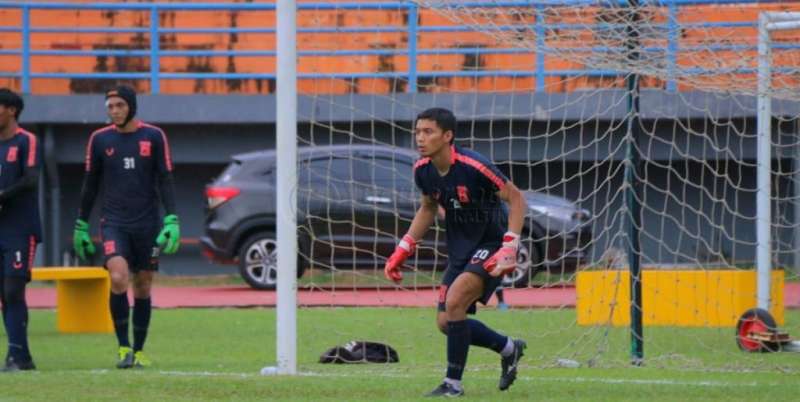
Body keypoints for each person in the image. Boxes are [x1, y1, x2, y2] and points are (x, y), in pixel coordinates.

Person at [384, 107, 527, 397]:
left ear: (448, 136)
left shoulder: (474, 166)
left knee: (455, 300)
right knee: (446, 322)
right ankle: (509, 348)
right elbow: (427, 208)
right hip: (461, 248)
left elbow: (517, 198)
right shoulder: (422, 170)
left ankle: (452, 384)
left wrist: (510, 246)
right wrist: (403, 248)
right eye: (417, 132)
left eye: (428, 132)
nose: (420, 138)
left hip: (492, 243)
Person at [73, 85, 180, 369]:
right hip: (114, 223)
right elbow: (90, 183)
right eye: (110, 106)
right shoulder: (99, 139)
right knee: (119, 277)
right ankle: (123, 348)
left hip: (150, 226)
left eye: (119, 105)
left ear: (131, 106)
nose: (114, 111)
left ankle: (140, 349)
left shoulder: (154, 136)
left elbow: (166, 178)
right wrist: (81, 223)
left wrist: (172, 219)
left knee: (143, 285)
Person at [0, 88, 40, 371]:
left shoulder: (27, 141)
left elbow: (31, 180)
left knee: (14, 289)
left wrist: (1, 196)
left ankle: (16, 354)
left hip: (20, 228)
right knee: (5, 291)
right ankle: (20, 356)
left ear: (11, 110)